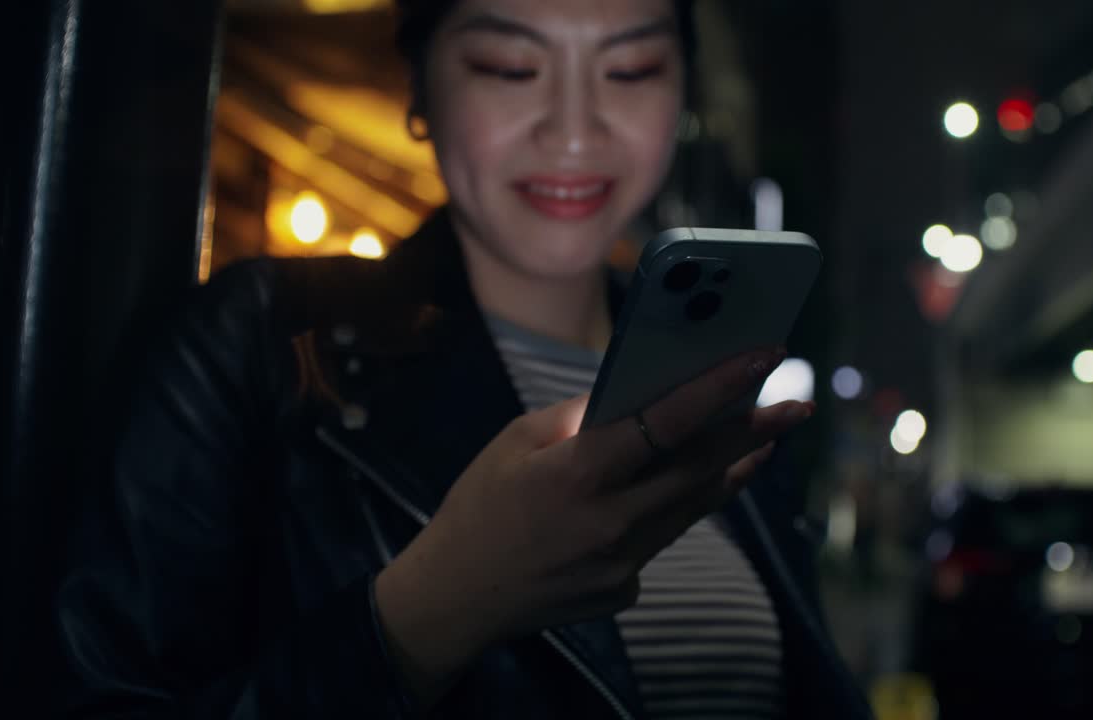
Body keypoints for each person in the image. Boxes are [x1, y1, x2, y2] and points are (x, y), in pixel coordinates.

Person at [54, 0, 872, 717]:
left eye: (631, 69)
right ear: (420, 87)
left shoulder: (716, 378)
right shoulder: (256, 343)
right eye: (510, 67)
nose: (576, 127)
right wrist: (429, 612)